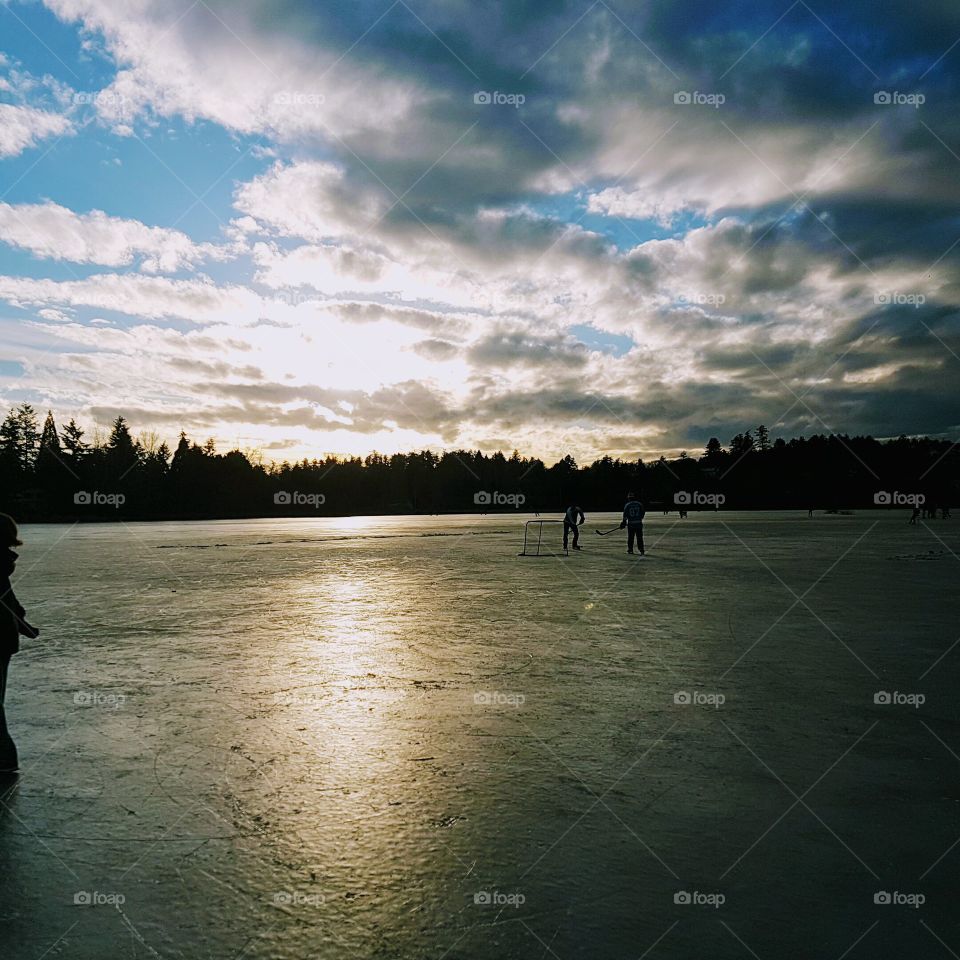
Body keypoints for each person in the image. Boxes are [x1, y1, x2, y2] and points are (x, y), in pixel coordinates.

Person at [1, 514, 39, 775]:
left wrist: (22, 624)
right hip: (4, 638)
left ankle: (4, 758)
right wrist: (23, 625)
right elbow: (10, 602)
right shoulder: (1, 566)